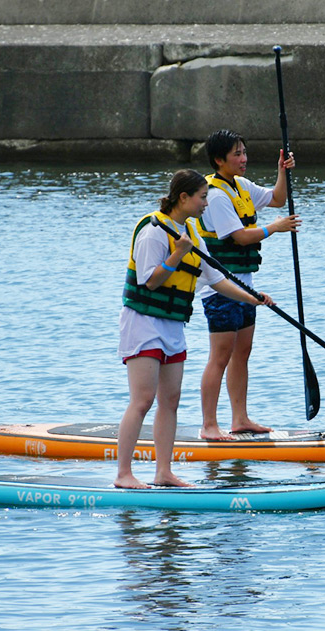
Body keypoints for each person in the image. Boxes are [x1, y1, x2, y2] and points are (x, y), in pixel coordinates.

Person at [115, 169, 274, 489]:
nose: (206, 203)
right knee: (142, 400)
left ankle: (163, 472)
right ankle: (124, 475)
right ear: (183, 198)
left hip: (173, 325)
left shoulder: (191, 231)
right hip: (143, 322)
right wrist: (179, 252)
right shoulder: (154, 231)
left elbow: (216, 280)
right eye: (202, 197)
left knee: (170, 401)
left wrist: (252, 299)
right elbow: (151, 280)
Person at [197, 129, 300, 440]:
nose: (243, 159)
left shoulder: (241, 186)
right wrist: (274, 229)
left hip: (247, 286)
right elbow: (240, 237)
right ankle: (208, 426)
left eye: (244, 152)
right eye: (236, 154)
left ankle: (240, 419)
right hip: (219, 290)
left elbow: (279, 199)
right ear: (219, 160)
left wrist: (282, 171)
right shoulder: (214, 195)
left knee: (243, 353)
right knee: (221, 355)